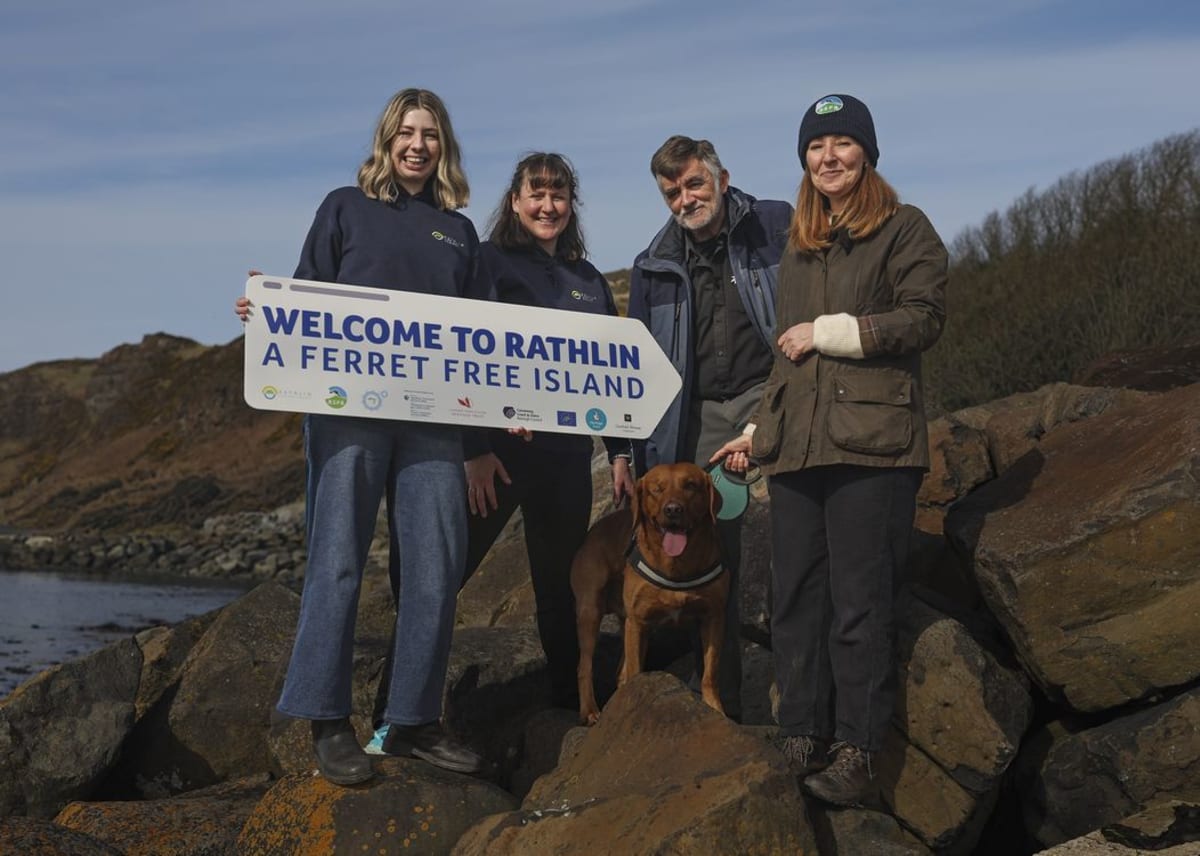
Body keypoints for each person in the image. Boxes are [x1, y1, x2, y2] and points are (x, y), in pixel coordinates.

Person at [236, 88, 487, 784]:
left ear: (444, 147)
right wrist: (267, 310)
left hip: (435, 417)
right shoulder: (344, 207)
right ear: (386, 139)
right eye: (406, 132)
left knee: (436, 565)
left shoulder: (458, 232)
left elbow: (485, 338)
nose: (418, 144)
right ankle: (325, 717)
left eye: (430, 134)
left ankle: (410, 722)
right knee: (339, 558)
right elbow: (306, 299)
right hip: (349, 410)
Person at [710, 93, 947, 807]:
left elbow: (923, 318)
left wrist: (831, 331)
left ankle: (859, 750)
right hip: (800, 453)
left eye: (843, 143)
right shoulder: (801, 248)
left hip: (874, 450)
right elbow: (789, 360)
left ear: (867, 154)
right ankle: (801, 734)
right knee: (796, 601)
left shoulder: (905, 228)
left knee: (859, 605)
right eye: (817, 147)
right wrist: (757, 435)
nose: (829, 157)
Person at [374, 153, 632, 716]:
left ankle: (568, 712)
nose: (547, 205)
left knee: (562, 593)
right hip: (496, 458)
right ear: (514, 201)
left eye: (558, 194)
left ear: (571, 205)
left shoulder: (588, 281)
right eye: (536, 194)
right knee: (437, 584)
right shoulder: (484, 261)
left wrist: (618, 453)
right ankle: (392, 720)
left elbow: (609, 373)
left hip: (565, 460)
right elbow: (462, 354)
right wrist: (476, 448)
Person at [626, 135, 793, 720]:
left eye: (694, 184)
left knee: (789, 544)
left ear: (721, 179)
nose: (684, 199)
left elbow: (800, 314)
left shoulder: (775, 225)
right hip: (693, 414)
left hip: (769, 393)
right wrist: (631, 450)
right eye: (672, 192)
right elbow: (639, 362)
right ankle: (726, 709)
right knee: (716, 557)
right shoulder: (652, 262)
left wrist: (763, 419)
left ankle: (795, 707)